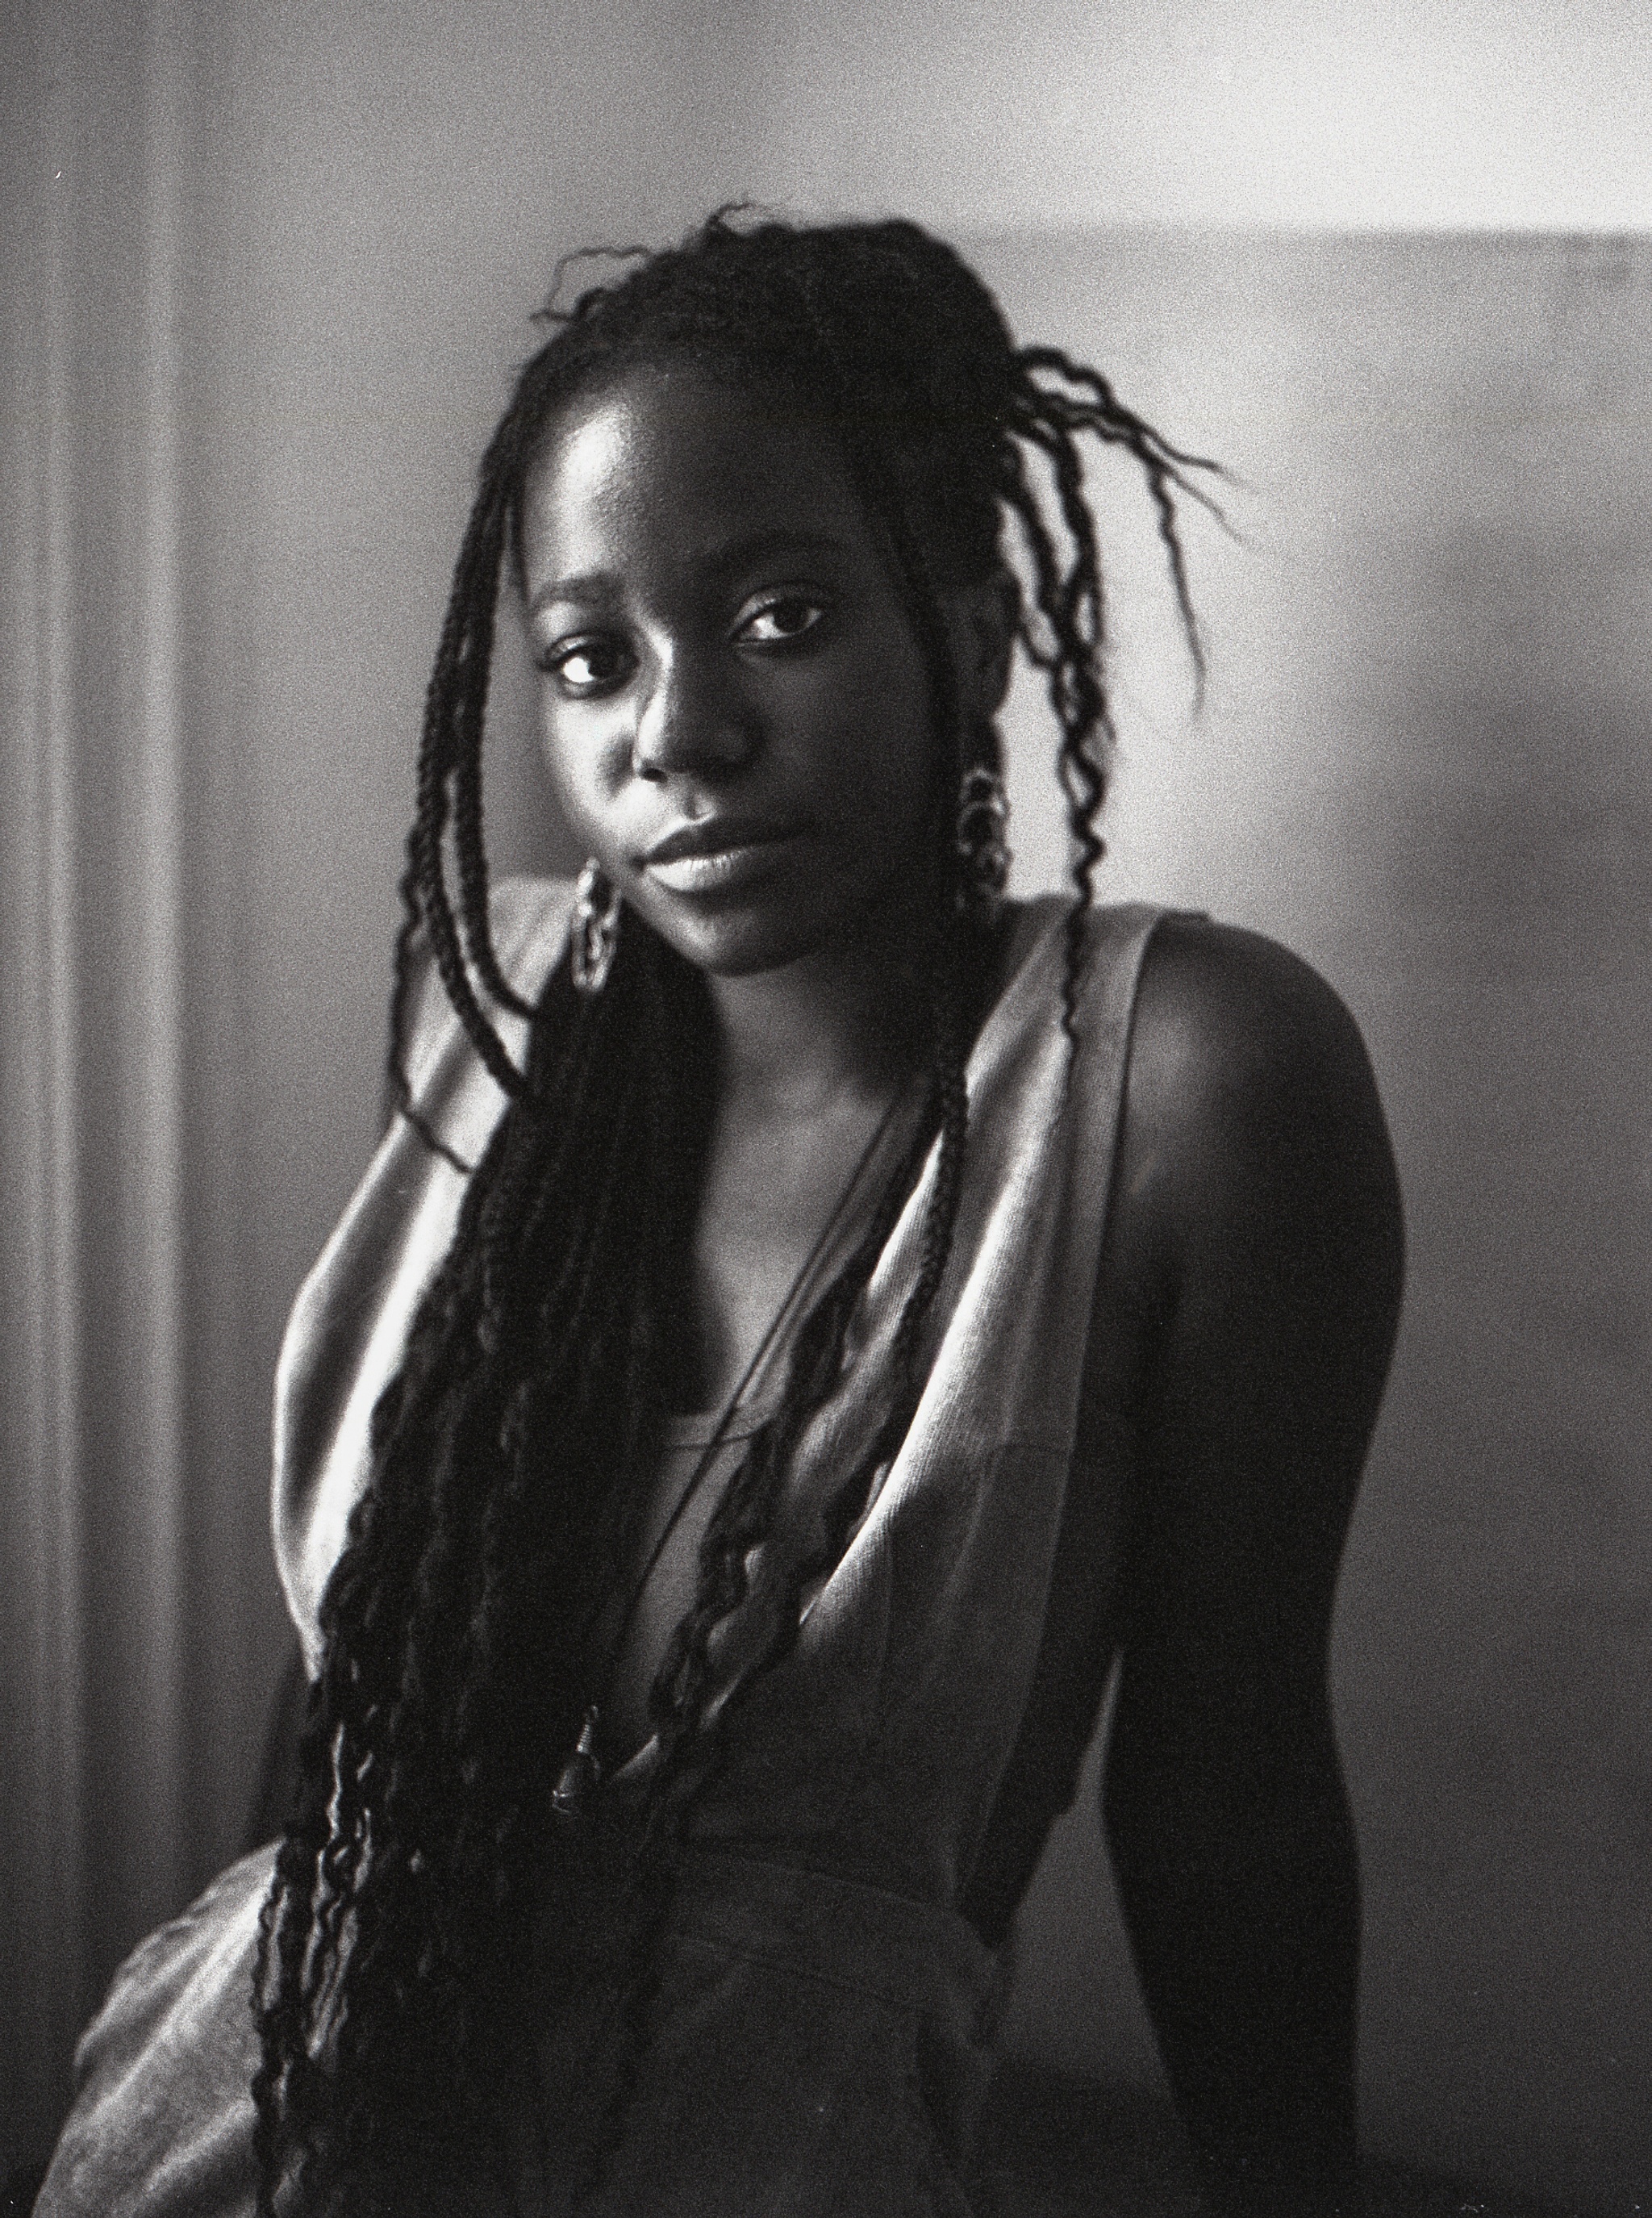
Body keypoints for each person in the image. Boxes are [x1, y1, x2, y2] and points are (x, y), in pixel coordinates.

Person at [39, 211, 1404, 2218]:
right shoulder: (499, 1026)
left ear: (969, 620)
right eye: (592, 657)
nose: (674, 728)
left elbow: (1230, 1785)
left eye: (778, 615)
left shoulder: (1195, 1083)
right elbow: (353, 1695)